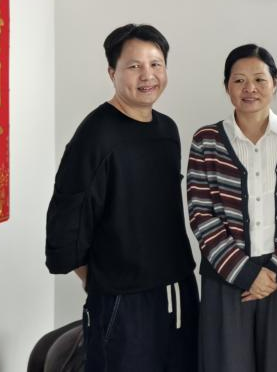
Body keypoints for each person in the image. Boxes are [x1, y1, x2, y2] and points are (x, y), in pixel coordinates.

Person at [45, 23, 197, 371]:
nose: (147, 75)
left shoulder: (167, 129)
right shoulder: (96, 135)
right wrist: (103, 279)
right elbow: (66, 219)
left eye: (156, 64)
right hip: (122, 301)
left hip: (177, 288)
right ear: (112, 72)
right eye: (134, 66)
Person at [186, 44, 277, 371]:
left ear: (275, 82)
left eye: (259, 79)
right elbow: (201, 215)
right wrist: (246, 275)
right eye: (239, 80)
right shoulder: (206, 140)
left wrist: (273, 273)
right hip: (224, 280)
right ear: (226, 86)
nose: (250, 88)